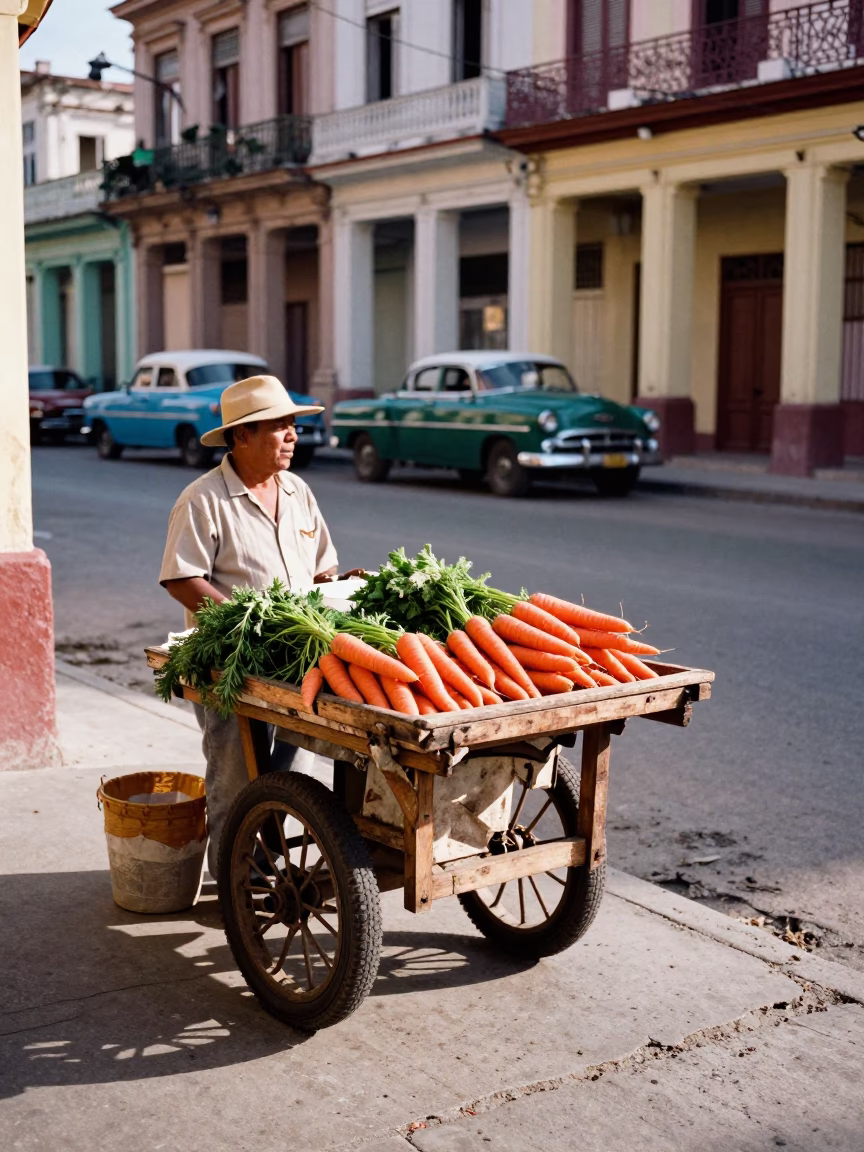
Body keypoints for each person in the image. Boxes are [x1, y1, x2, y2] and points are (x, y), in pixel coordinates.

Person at [159, 375, 338, 876]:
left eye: (293, 425)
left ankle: (269, 868)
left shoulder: (299, 491)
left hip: (295, 661)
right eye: (279, 426)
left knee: (293, 771)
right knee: (237, 777)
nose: (292, 435)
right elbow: (181, 578)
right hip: (231, 663)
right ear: (242, 437)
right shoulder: (203, 499)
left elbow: (321, 567)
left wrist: (340, 583)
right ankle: (235, 881)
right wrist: (240, 621)